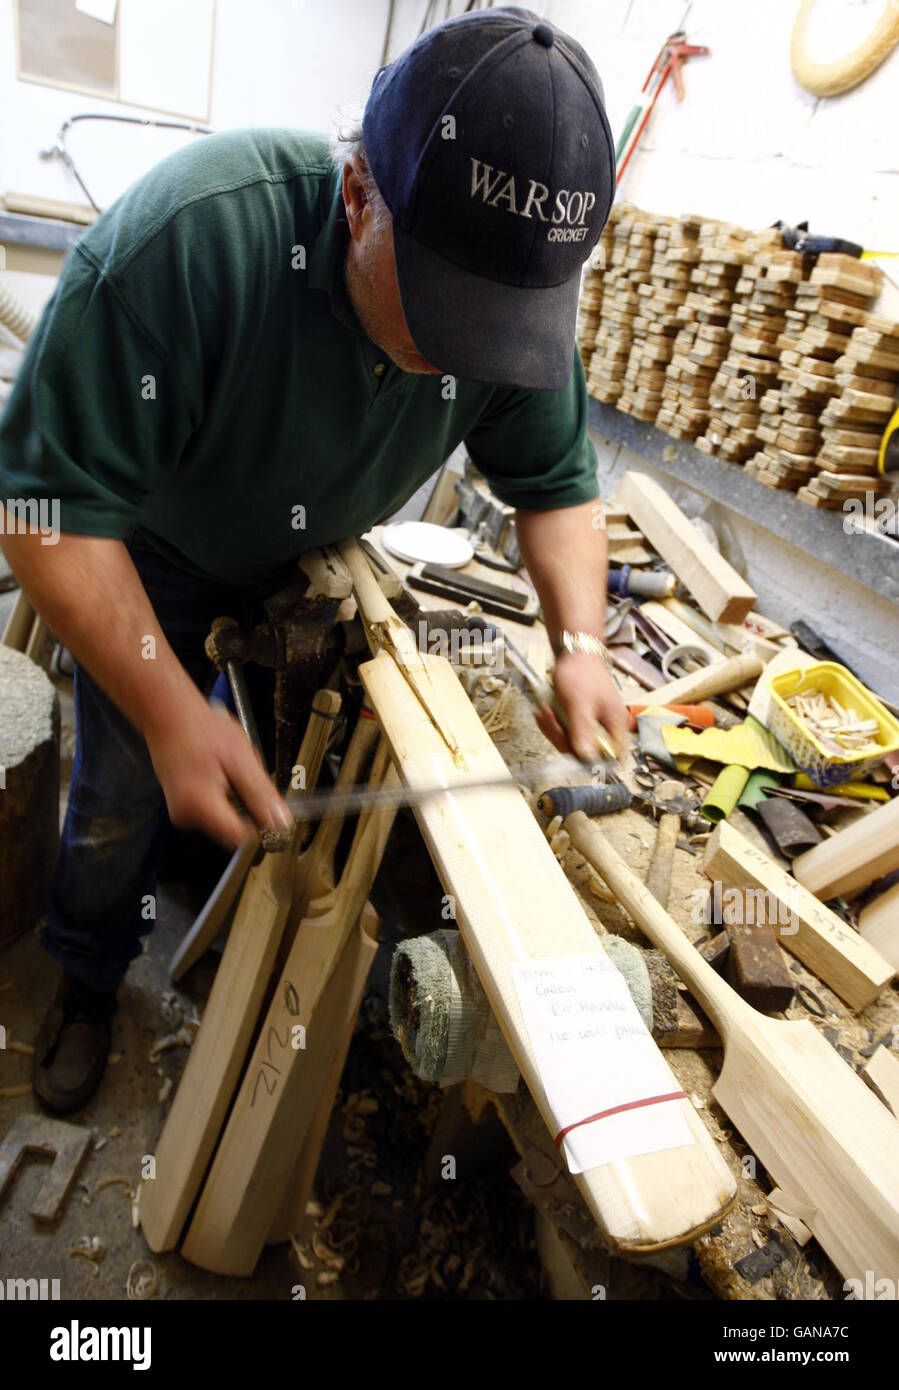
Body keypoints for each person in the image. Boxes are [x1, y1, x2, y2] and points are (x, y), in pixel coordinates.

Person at [0, 5, 624, 1113]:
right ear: (354, 197)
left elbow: (558, 484)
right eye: (441, 312)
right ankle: (89, 972)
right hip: (150, 560)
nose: (458, 355)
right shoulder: (188, 243)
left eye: (496, 327)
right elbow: (43, 509)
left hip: (313, 554)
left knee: (279, 771)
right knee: (121, 790)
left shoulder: (502, 311)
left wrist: (580, 643)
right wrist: (167, 707)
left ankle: (201, 889)